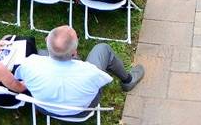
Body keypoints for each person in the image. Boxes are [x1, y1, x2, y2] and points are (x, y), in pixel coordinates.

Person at [14, 25, 144, 116]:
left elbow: (18, 77)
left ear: (46, 40)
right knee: (102, 49)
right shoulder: (90, 72)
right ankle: (128, 80)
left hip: (45, 108)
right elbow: (105, 80)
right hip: (81, 111)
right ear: (74, 52)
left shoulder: (29, 64)